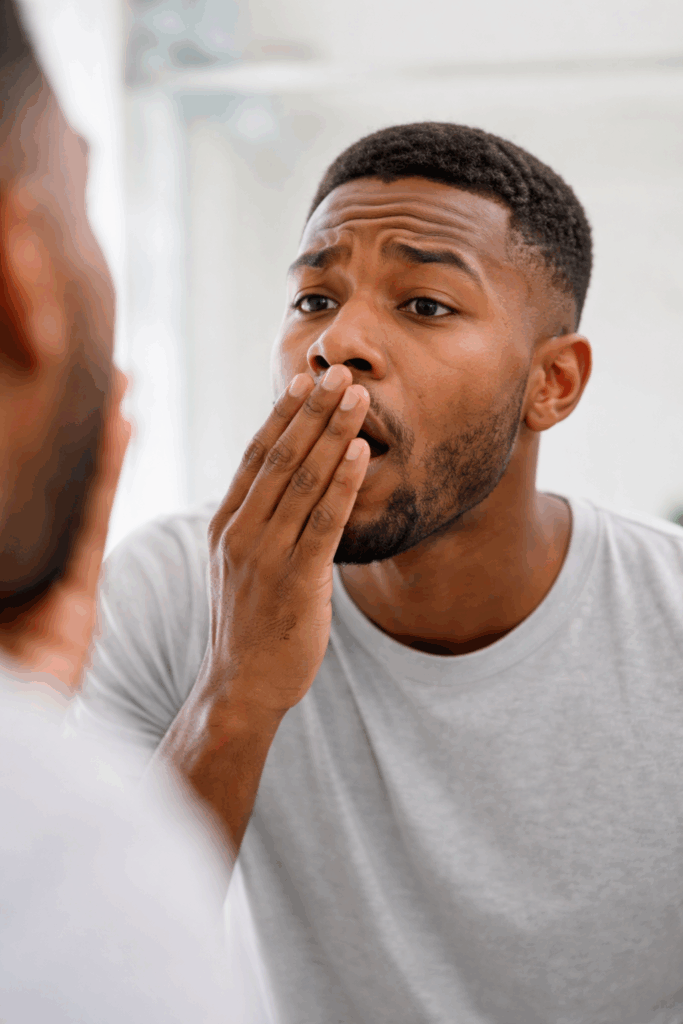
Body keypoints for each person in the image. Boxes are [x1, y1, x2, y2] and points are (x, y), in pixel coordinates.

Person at [70, 121, 683, 1024]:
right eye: (314, 299)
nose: (337, 343)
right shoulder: (171, 592)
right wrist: (237, 689)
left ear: (551, 383)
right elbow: (84, 975)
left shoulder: (667, 617)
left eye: (425, 304)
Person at [0, 2, 248, 1019]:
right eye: (84, 198)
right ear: (22, 280)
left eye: (425, 304)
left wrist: (27, 692)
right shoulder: (63, 857)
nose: (339, 349)